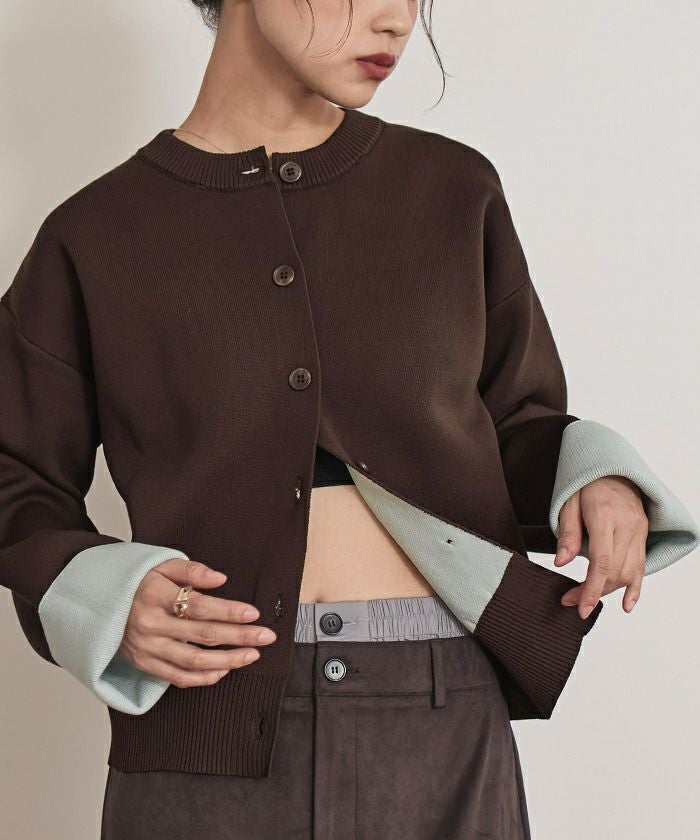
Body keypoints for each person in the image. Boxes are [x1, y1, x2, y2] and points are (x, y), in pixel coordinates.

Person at [1, 2, 697, 839]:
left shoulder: (452, 191)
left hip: (439, 721)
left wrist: (596, 477)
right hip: (202, 720)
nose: (397, 20)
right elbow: (15, 474)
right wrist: (103, 596)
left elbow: (517, 422)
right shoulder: (95, 235)